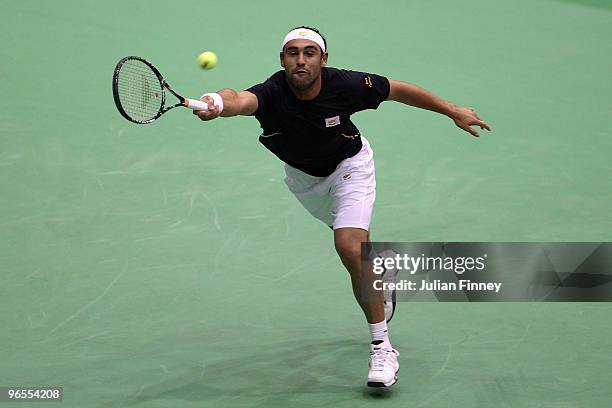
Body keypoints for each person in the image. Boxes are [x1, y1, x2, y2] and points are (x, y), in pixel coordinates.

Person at [193, 26, 491, 388]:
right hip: (305, 182)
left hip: (351, 168)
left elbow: (397, 89)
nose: (300, 60)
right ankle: (382, 265)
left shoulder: (346, 86)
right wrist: (217, 101)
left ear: (323, 59)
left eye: (309, 52)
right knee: (361, 254)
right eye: (292, 53)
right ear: (282, 60)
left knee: (349, 247)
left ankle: (382, 347)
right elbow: (238, 99)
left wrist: (451, 110)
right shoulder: (271, 93)